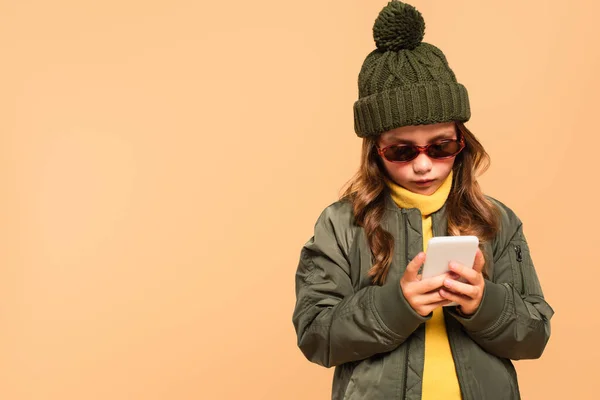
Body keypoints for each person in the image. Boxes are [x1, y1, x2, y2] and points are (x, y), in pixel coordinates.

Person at [291, 1, 554, 399]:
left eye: (440, 146)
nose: (423, 166)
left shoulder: (496, 220)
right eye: (402, 151)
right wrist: (397, 304)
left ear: (462, 143)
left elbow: (533, 337)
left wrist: (483, 302)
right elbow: (315, 336)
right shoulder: (342, 224)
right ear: (375, 150)